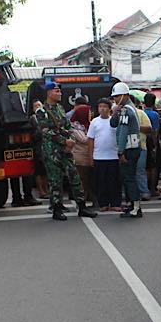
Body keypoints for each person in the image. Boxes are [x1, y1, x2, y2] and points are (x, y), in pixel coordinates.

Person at [36, 81, 99, 221]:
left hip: (66, 150)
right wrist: (64, 141)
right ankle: (57, 209)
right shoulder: (42, 111)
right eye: (56, 91)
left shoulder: (60, 108)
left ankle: (82, 206)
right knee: (55, 180)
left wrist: (71, 139)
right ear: (49, 93)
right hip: (52, 151)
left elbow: (68, 126)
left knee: (75, 176)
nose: (60, 94)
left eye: (59, 91)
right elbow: (45, 131)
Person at [110, 82, 144, 219]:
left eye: (117, 96)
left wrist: (120, 151)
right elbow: (113, 124)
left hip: (129, 148)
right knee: (127, 177)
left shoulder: (126, 110)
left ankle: (135, 207)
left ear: (125, 95)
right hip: (131, 147)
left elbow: (123, 131)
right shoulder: (127, 109)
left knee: (129, 178)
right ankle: (131, 204)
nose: (115, 99)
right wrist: (114, 113)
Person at [88, 98, 122, 212]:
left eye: (105, 107)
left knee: (114, 181)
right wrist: (91, 156)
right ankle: (103, 203)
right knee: (101, 182)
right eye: (100, 107)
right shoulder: (94, 122)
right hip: (99, 157)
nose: (102, 109)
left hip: (113, 156)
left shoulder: (114, 121)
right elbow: (90, 140)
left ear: (109, 109)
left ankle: (115, 203)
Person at [69, 104, 95, 206]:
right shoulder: (75, 127)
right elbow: (84, 139)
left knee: (90, 180)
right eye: (88, 112)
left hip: (89, 156)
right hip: (80, 157)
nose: (91, 114)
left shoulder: (89, 125)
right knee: (83, 180)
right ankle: (81, 202)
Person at [131, 94, 153, 200]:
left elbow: (149, 128)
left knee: (140, 170)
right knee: (127, 172)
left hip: (140, 146)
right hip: (125, 147)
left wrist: (136, 126)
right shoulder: (121, 113)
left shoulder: (141, 113)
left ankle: (144, 191)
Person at [142, 93, 161, 196]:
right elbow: (155, 131)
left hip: (143, 140)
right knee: (153, 166)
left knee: (145, 166)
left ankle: (145, 187)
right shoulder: (155, 114)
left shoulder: (142, 113)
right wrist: (155, 145)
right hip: (151, 141)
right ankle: (153, 188)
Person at [30, 100, 49, 199]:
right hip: (37, 146)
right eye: (35, 106)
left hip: (46, 146)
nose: (38, 107)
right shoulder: (32, 119)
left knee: (45, 170)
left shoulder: (46, 117)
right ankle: (41, 190)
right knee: (38, 169)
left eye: (39, 105)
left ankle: (46, 189)